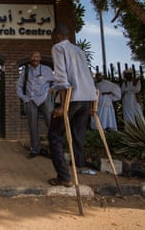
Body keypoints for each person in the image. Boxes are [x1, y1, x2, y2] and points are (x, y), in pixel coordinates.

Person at [47, 24, 97, 187]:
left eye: (53, 37)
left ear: (57, 36)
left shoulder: (58, 48)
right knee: (78, 134)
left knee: (54, 136)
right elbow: (85, 75)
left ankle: (64, 177)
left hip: (72, 98)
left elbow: (61, 78)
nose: (52, 40)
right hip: (86, 98)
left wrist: (62, 106)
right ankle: (79, 164)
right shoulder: (79, 50)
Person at [16, 51, 56, 158]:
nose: (35, 58)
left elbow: (55, 82)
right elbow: (19, 85)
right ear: (30, 58)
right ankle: (35, 149)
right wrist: (24, 98)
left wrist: (52, 89)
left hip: (44, 99)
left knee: (51, 124)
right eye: (33, 56)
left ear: (40, 58)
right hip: (30, 100)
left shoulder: (47, 69)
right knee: (32, 126)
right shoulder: (26, 71)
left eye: (37, 56)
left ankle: (55, 149)